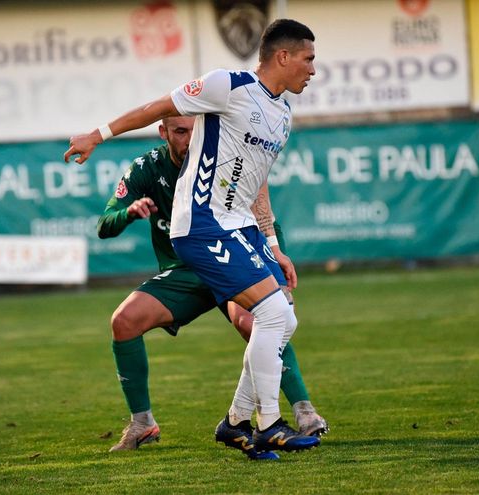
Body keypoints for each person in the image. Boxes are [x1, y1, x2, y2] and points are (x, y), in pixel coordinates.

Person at [66, 19, 318, 457]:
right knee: (274, 314)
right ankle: (268, 423)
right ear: (283, 56)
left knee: (282, 319)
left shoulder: (282, 114)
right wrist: (97, 135)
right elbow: (155, 106)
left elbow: (256, 183)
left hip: (235, 226)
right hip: (203, 223)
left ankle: (237, 422)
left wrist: (272, 244)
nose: (313, 69)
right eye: (308, 59)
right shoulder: (229, 85)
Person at [98, 115, 327, 459]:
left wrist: (274, 249)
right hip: (185, 271)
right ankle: (142, 422)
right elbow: (105, 224)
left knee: (262, 321)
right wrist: (129, 212)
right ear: (163, 132)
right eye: (179, 132)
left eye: (195, 130)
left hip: (228, 261)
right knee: (123, 321)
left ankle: (303, 412)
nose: (189, 139)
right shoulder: (146, 168)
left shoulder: (224, 159)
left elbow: (257, 201)